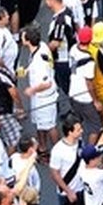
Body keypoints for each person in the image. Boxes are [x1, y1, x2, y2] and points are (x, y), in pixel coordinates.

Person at [21, 26, 59, 154]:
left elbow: (46, 83)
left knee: (49, 125)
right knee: (39, 123)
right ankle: (42, 147)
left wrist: (32, 89)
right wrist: (27, 70)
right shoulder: (41, 46)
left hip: (44, 97)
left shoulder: (39, 63)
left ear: (28, 41)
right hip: (38, 97)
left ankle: (59, 149)